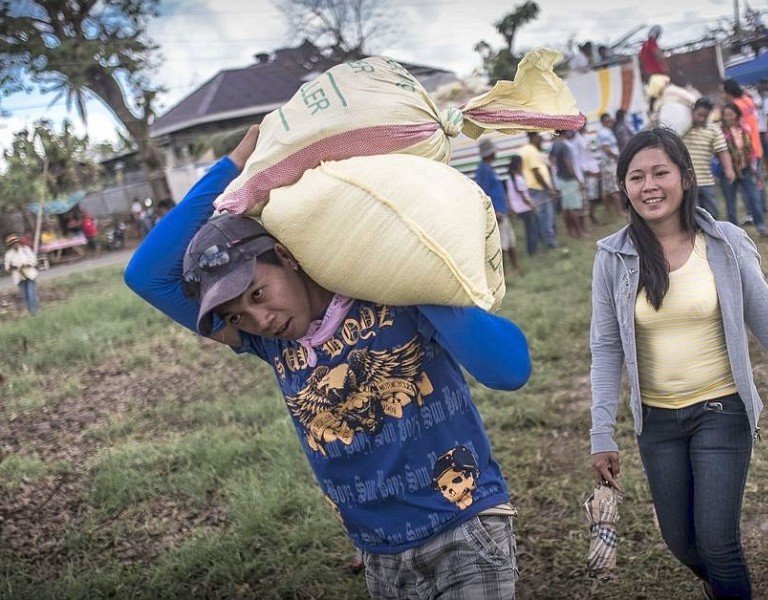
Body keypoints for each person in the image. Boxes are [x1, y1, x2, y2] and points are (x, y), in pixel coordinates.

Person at [125, 126, 531, 598]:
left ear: (285, 256)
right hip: (379, 552)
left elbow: (509, 370)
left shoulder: (384, 291)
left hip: (464, 530)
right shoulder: (268, 344)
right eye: (238, 315)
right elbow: (146, 276)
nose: (260, 319)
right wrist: (233, 168)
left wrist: (417, 278)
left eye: (259, 293)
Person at [588, 127, 768, 600]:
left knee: (719, 543)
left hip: (722, 413)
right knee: (680, 542)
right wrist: (601, 431)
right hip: (657, 423)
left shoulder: (725, 244)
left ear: (685, 177)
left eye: (660, 173)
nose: (649, 186)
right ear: (624, 188)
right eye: (636, 177)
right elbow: (605, 349)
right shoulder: (613, 258)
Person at [719, 102, 768, 238]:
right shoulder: (719, 132)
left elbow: (751, 149)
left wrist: (754, 164)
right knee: (731, 202)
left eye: (731, 114)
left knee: (754, 197)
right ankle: (733, 233)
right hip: (728, 171)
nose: (729, 117)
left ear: (737, 114)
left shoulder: (744, 128)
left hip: (747, 168)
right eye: (726, 115)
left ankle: (761, 227)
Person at [682, 97, 735, 220]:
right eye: (699, 115)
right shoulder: (682, 128)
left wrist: (729, 169)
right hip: (687, 182)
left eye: (705, 116)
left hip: (707, 180)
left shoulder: (713, 129)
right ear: (692, 111)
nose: (702, 118)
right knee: (692, 214)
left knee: (712, 213)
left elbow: (722, 150)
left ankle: (711, 236)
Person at [475, 138, 523, 275]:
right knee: (501, 245)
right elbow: (483, 193)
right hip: (497, 214)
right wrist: (494, 212)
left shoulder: (490, 169)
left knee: (511, 240)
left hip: (503, 211)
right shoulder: (483, 170)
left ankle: (516, 268)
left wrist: (508, 207)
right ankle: (504, 273)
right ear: (488, 153)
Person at [518, 132, 558, 249]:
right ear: (534, 137)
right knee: (547, 218)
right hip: (538, 189)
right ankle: (550, 244)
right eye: (540, 138)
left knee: (539, 217)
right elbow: (536, 172)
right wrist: (549, 188)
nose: (542, 141)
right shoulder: (532, 151)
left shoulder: (523, 150)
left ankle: (542, 242)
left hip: (531, 188)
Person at [550, 130, 589, 239]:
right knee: (573, 207)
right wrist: (578, 179)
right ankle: (579, 232)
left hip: (560, 179)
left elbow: (551, 162)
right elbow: (569, 164)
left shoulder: (554, 145)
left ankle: (571, 231)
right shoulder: (564, 145)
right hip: (569, 179)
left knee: (567, 207)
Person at [505, 154, 539, 256]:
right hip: (525, 209)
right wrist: (532, 205)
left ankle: (531, 251)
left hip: (518, 209)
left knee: (528, 230)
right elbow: (524, 197)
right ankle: (532, 251)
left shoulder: (509, 179)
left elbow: (509, 196)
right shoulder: (519, 179)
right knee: (532, 231)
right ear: (519, 165)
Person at [3, 233, 39, 315]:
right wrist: (12, 267)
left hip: (29, 275)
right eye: (13, 244)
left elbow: (34, 261)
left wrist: (27, 264)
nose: (15, 245)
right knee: (25, 297)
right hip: (19, 278)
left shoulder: (25, 250)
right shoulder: (8, 255)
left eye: (16, 243)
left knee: (31, 294)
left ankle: (34, 313)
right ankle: (30, 313)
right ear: (10, 245)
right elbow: (7, 268)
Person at [596, 113, 623, 219]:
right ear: (603, 122)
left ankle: (607, 211)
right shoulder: (604, 133)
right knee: (614, 188)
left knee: (607, 189)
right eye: (607, 121)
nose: (610, 122)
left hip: (609, 163)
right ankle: (619, 211)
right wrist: (617, 156)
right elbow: (606, 149)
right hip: (609, 163)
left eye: (610, 120)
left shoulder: (608, 131)